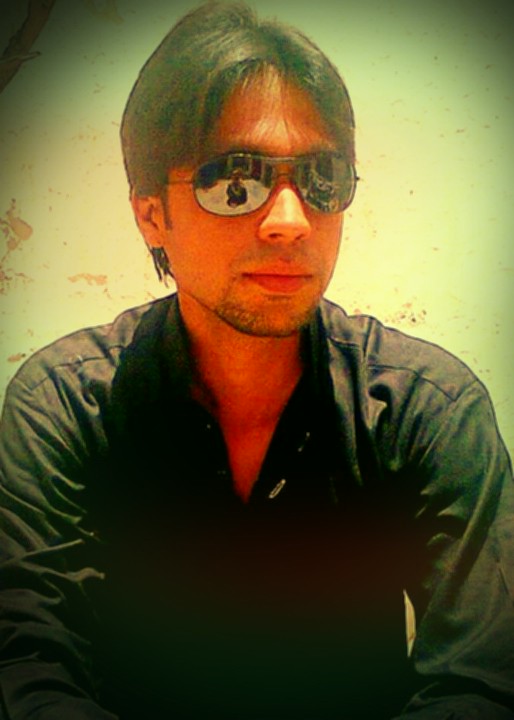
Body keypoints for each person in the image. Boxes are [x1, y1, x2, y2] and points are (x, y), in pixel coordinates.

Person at [0, 2, 513, 718]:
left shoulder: (426, 408)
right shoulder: (63, 406)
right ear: (151, 214)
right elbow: (30, 663)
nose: (291, 221)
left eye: (323, 176)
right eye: (234, 180)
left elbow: (480, 680)